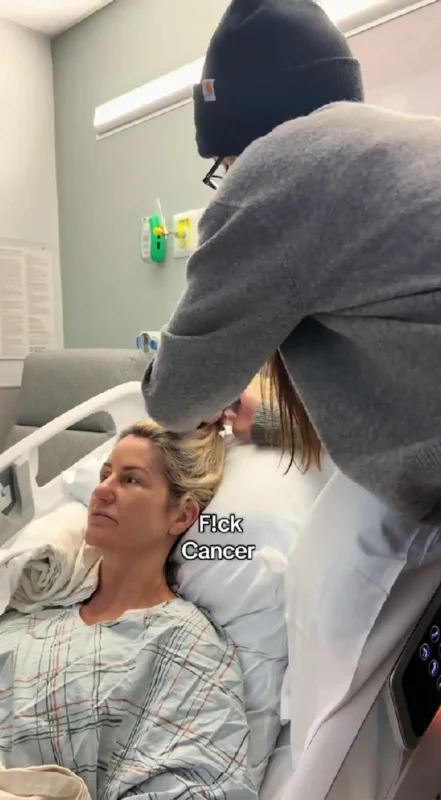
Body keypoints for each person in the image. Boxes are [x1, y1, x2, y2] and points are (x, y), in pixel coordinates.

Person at [141, 0, 441, 523]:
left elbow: (174, 400)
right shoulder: (418, 139)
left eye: (224, 165)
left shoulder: (270, 178)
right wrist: (265, 422)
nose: (228, 178)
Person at [0, 420, 257, 800]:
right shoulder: (31, 604)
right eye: (104, 475)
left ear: (181, 516)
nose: (102, 490)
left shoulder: (188, 647)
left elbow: (197, 786)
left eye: (131, 480)